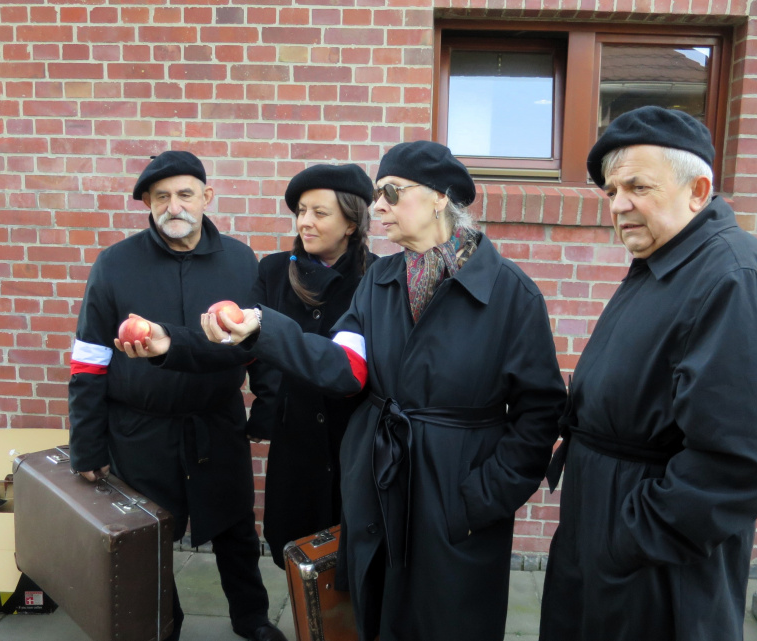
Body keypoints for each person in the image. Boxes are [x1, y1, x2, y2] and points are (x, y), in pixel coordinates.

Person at [129, 141, 567, 641]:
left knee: (449, 618)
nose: (377, 205)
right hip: (378, 483)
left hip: (457, 490)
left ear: (441, 198)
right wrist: (259, 328)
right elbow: (345, 367)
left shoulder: (512, 294)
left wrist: (484, 497)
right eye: (377, 194)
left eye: (390, 192)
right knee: (371, 615)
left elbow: (540, 412)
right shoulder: (380, 280)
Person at [539, 106, 757, 641]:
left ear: (698, 190)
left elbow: (739, 461)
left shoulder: (735, 279)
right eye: (611, 191)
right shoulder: (666, 263)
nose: (619, 205)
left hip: (655, 571)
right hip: (604, 540)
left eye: (638, 186)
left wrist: (629, 540)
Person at [67, 150, 287, 641]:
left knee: (235, 531)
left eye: (185, 194)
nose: (174, 206)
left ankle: (251, 617)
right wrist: (87, 443)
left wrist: (267, 404)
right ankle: (163, 625)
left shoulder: (239, 259)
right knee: (147, 541)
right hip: (140, 430)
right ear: (147, 203)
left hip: (217, 423)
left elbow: (259, 344)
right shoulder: (115, 264)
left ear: (207, 197)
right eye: (161, 197)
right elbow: (88, 360)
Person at [248, 163, 376, 568]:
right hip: (296, 439)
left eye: (319, 213)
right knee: (297, 552)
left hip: (354, 444)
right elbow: (244, 347)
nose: (305, 222)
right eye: (301, 211)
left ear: (351, 223)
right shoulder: (273, 271)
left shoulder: (377, 277)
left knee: (352, 556)